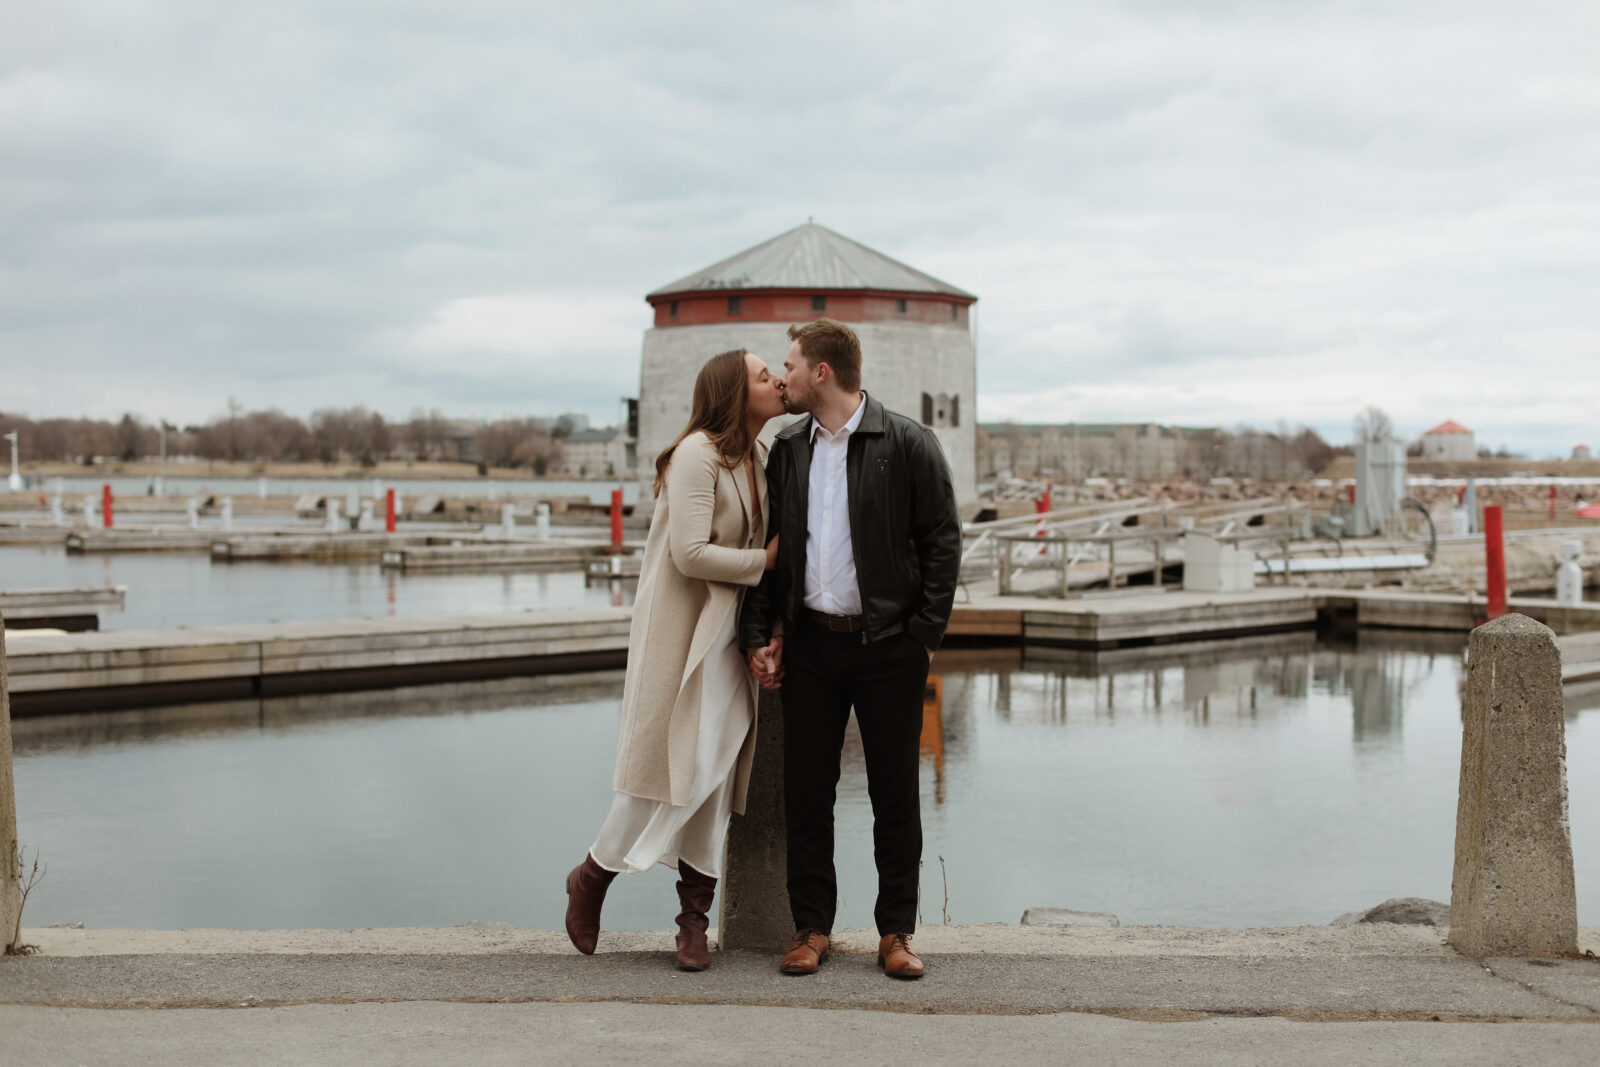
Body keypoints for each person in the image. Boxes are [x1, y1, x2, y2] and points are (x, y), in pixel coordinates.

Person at [739, 318, 961, 979]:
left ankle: (896, 932)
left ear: (822, 373)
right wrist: (762, 633)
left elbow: (944, 541)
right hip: (812, 646)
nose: (784, 377)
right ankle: (811, 929)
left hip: (889, 646)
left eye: (791, 365)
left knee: (896, 797)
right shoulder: (789, 448)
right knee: (808, 792)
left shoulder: (908, 442)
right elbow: (771, 554)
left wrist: (922, 637)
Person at [565, 348, 786, 971]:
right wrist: (764, 563)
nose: (775, 381)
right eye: (763, 375)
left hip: (728, 637)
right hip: (684, 637)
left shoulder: (759, 457)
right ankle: (594, 875)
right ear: (735, 394)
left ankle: (694, 918)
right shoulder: (697, 455)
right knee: (663, 769)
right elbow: (690, 554)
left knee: (713, 776)